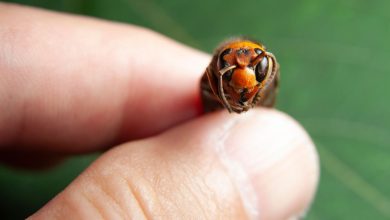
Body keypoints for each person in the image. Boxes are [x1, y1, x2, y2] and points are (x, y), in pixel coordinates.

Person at [0, 3, 319, 219]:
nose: (243, 72)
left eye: (255, 66)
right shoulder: (216, 81)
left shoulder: (260, 78)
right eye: (230, 64)